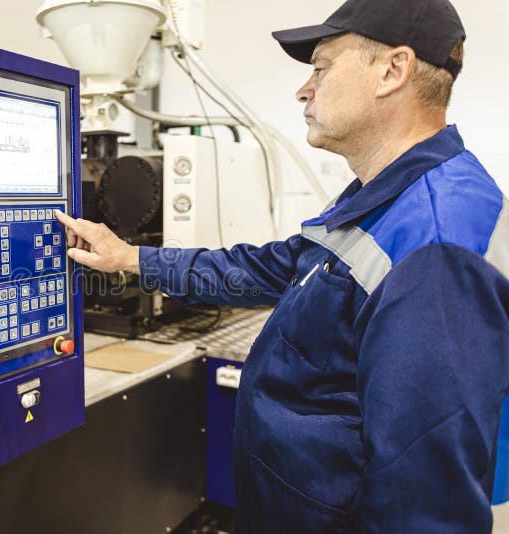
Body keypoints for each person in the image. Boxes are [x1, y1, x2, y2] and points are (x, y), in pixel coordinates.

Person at [55, 0, 509, 531]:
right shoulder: (384, 198)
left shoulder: (434, 241)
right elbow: (266, 268)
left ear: (393, 71)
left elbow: (424, 503)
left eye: (322, 66)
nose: (304, 88)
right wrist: (130, 257)